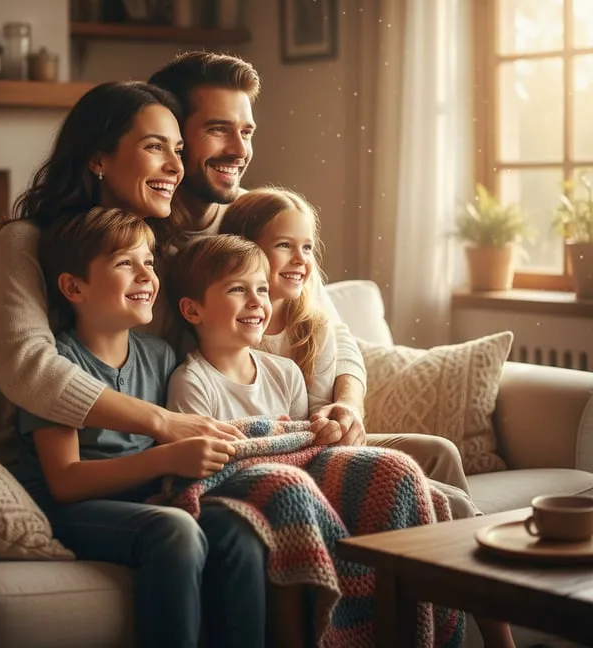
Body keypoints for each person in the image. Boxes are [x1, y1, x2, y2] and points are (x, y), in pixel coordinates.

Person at [0, 80, 268, 648]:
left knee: (245, 521)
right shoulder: (27, 243)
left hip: (138, 479)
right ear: (98, 158)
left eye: (178, 149)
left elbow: (278, 318)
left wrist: (339, 398)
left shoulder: (164, 258)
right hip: (27, 471)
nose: (176, 164)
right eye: (155, 147)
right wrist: (164, 427)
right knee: (176, 529)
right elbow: (33, 371)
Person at [148, 52, 472, 495]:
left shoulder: (264, 218)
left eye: (246, 132)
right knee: (429, 493)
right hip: (265, 454)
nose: (240, 150)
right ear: (175, 135)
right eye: (218, 129)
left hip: (315, 436)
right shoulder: (146, 249)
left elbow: (338, 337)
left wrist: (348, 406)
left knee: (438, 453)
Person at [216, 186, 516, 648]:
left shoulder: (307, 305)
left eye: (308, 247)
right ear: (243, 248)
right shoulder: (230, 314)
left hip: (329, 439)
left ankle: (490, 627)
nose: (300, 259)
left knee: (439, 452)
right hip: (297, 455)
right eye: (284, 246)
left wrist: (349, 406)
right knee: (444, 503)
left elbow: (346, 347)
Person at [15, 207, 236, 647]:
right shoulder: (57, 368)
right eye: (124, 263)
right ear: (73, 286)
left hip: (147, 497)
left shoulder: (160, 357)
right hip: (72, 510)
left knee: (236, 528)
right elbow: (64, 482)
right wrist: (167, 456)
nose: (145, 275)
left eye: (149, 263)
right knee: (174, 531)